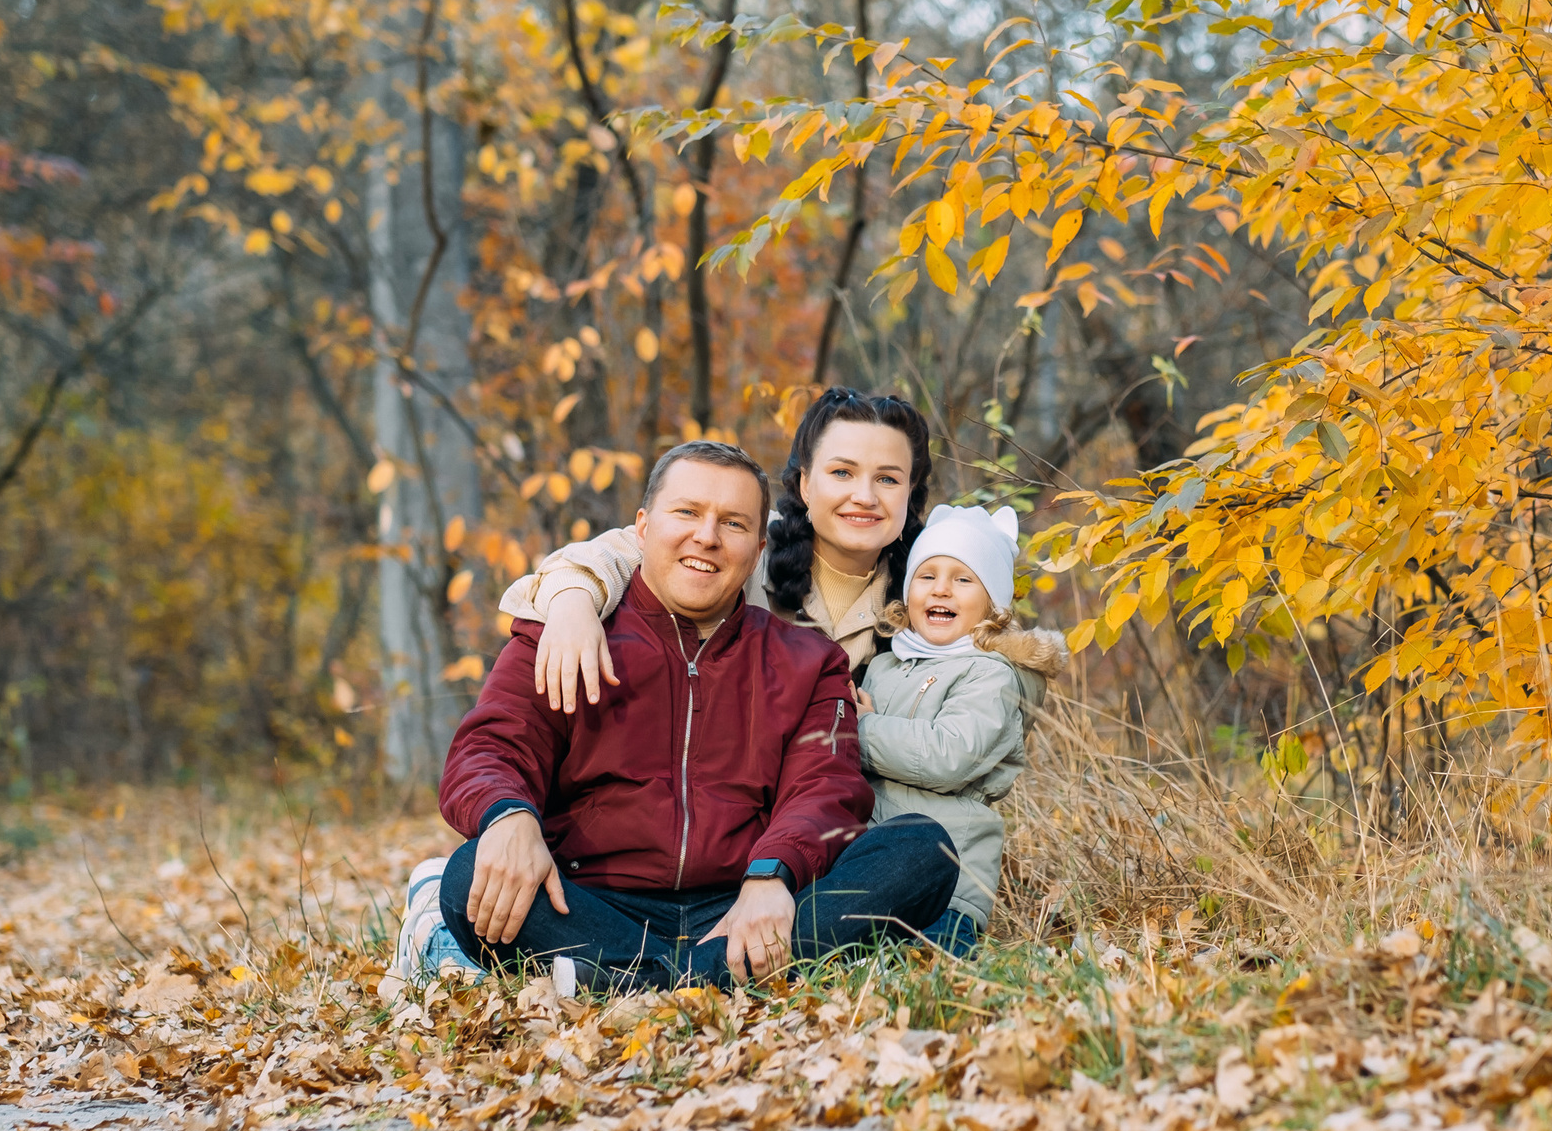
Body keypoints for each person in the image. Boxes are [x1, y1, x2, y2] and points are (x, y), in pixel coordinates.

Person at [392, 440, 959, 991]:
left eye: (733, 523)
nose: (706, 537)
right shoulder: (565, 632)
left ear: (759, 546)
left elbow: (825, 788)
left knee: (921, 849)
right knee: (469, 874)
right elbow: (492, 747)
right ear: (642, 528)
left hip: (743, 901)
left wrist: (772, 874)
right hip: (590, 903)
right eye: (686, 512)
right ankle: (709, 978)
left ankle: (622, 980)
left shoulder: (808, 661)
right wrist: (507, 816)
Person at [496, 388, 931, 707]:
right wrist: (573, 606)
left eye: (888, 479)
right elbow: (612, 552)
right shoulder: (741, 541)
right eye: (842, 473)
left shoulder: (933, 586)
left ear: (910, 494)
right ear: (805, 483)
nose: (865, 496)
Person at [856, 503, 1063, 955]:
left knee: (927, 978)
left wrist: (861, 730)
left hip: (948, 885)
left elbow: (949, 757)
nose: (941, 590)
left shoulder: (991, 675)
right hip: (873, 870)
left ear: (993, 605)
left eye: (963, 579)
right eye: (927, 576)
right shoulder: (888, 663)